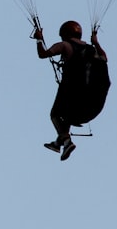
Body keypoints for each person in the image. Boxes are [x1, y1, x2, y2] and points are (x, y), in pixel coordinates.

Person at [31, 20, 108, 161]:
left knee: (55, 114)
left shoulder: (65, 45)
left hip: (72, 94)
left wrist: (38, 39)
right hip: (91, 104)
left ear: (64, 34)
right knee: (66, 116)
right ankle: (59, 143)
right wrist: (96, 42)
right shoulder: (91, 49)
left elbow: (43, 54)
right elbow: (104, 58)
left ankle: (66, 141)